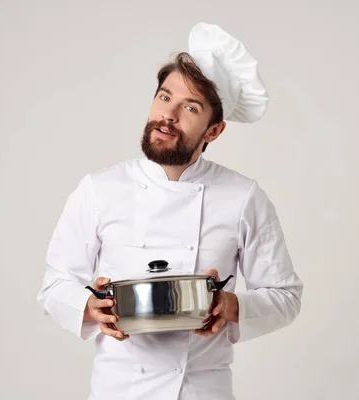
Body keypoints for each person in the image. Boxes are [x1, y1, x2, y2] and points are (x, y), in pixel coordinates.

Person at [37, 22, 303, 400]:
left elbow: (285, 296)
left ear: (213, 131)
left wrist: (229, 305)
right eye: (164, 98)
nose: (169, 115)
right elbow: (54, 284)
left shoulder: (243, 197)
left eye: (190, 107)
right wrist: (89, 306)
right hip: (119, 389)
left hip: (202, 389)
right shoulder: (99, 189)